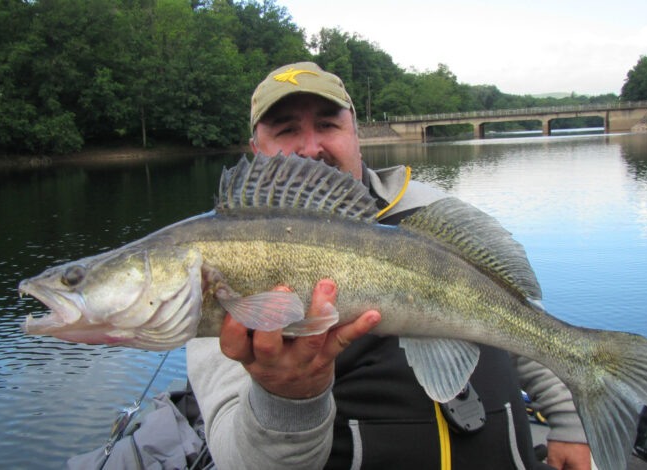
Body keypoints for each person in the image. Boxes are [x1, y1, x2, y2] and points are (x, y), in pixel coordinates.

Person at [186, 62, 591, 470]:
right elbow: (238, 461)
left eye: (328, 124)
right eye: (286, 130)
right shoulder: (221, 265)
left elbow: (518, 321)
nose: (311, 148)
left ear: (356, 136)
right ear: (257, 150)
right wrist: (285, 396)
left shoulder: (431, 214)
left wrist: (571, 421)